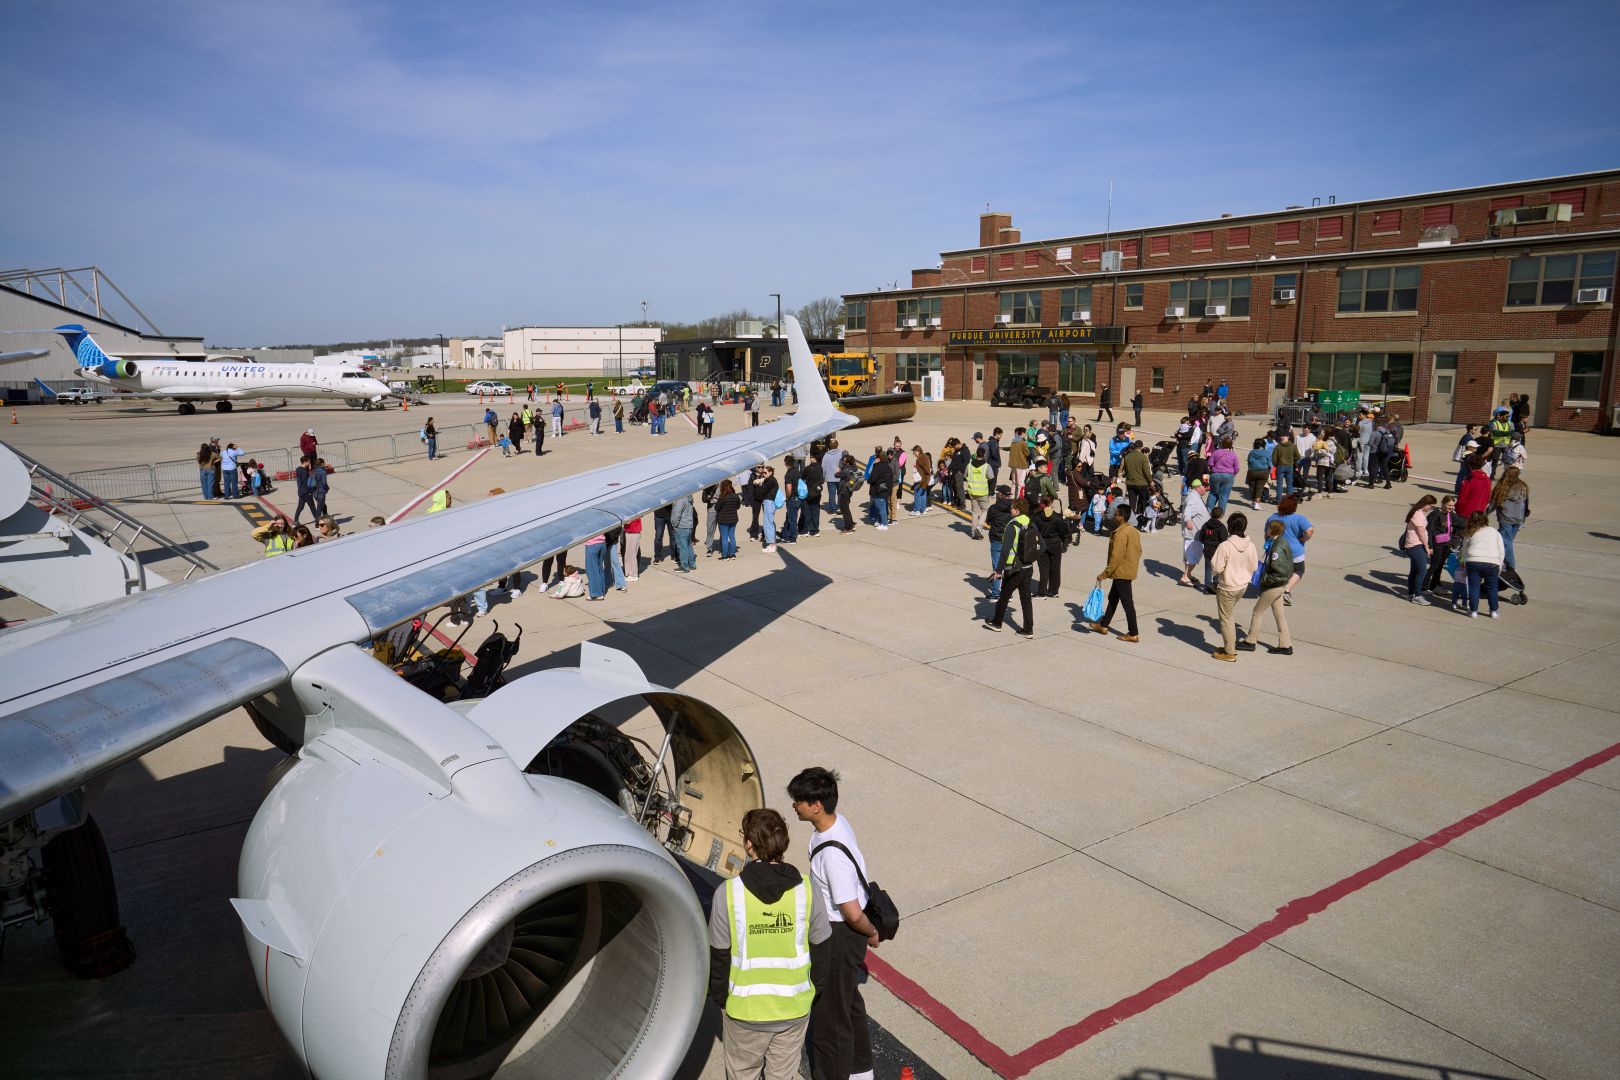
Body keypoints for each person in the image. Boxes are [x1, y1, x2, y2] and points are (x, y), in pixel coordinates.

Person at [788, 768, 878, 1080]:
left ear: (816, 805)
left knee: (829, 1019)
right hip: (841, 933)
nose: (794, 805)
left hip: (839, 934)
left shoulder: (832, 856)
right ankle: (860, 1071)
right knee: (848, 1002)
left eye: (798, 800)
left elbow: (851, 912)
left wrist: (871, 932)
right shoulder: (835, 825)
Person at [1087, 503, 1141, 641]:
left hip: (1121, 572)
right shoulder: (1133, 530)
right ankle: (1104, 625)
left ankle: (1133, 633)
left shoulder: (1121, 534)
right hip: (1127, 570)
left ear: (1122, 517)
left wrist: (1104, 574)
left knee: (1127, 603)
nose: (1114, 515)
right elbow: (1139, 551)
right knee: (1113, 599)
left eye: (1116, 514)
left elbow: (1116, 557)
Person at [1240, 518, 1294, 654]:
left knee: (1257, 612)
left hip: (1274, 586)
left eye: (1268, 528)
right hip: (1280, 585)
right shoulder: (1281, 542)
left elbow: (1280, 571)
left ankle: (1250, 641)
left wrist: (1266, 580)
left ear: (1273, 530)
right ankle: (1285, 645)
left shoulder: (1277, 547)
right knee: (1280, 615)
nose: (1266, 530)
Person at [1265, 494, 1314, 607]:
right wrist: (1302, 539)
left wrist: (1268, 544)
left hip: (1276, 549)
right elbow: (1309, 531)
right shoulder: (1299, 519)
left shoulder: (1272, 517)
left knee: (1277, 570)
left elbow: (1266, 534)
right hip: (1295, 551)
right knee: (1299, 570)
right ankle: (1286, 590)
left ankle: (1273, 590)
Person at [1455, 510, 1504, 618]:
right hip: (1491, 562)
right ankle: (1494, 611)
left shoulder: (1470, 532)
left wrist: (1464, 562)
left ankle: (1473, 611)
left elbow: (1464, 550)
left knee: (1474, 587)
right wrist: (1499, 565)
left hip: (1473, 561)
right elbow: (1501, 550)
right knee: (1492, 588)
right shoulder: (1494, 531)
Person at [1490, 467, 1530, 569]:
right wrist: (1524, 518)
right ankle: (1501, 561)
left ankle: (1511, 566)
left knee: (1506, 542)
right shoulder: (1523, 486)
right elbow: (1526, 504)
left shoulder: (1502, 486)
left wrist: (1485, 513)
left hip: (1506, 518)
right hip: (1518, 518)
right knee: (1504, 541)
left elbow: (1494, 503)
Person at [1402, 494, 1438, 604]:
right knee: (1422, 571)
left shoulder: (1418, 512)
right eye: (1431, 506)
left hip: (1415, 545)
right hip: (1415, 545)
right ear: (1425, 504)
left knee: (1414, 571)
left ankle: (1411, 594)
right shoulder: (1418, 514)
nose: (1431, 508)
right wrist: (1427, 546)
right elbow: (1420, 531)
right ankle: (1417, 596)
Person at [1424, 494, 1460, 595]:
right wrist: (1429, 546)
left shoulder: (1451, 514)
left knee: (1440, 566)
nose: (1451, 507)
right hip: (1436, 545)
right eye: (1449, 505)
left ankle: (1434, 586)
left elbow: (1461, 523)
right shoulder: (1435, 514)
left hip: (1446, 544)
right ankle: (1423, 586)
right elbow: (1429, 531)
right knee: (1434, 566)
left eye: (1453, 505)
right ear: (1443, 503)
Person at [1032, 493, 1067, 598]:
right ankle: (1053, 591)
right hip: (1055, 545)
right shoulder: (1058, 517)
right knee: (1056, 568)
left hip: (1042, 544)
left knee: (1043, 569)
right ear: (1052, 503)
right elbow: (1063, 532)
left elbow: (1034, 531)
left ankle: (1042, 591)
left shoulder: (1037, 517)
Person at [964, 448, 992, 539]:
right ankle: (979, 527)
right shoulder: (986, 466)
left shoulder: (969, 465)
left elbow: (965, 476)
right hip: (983, 492)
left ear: (976, 454)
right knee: (984, 511)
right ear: (984, 455)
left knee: (975, 512)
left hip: (973, 492)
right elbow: (991, 478)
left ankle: (973, 531)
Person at [1456, 453, 1491, 518]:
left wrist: (1458, 511)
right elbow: (1488, 497)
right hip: (1480, 513)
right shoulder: (1488, 480)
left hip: (1466, 513)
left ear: (1469, 465)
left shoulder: (1468, 480)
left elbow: (1462, 499)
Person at [671, 493, 698, 571]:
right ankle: (692, 564)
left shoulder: (680, 500)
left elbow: (677, 514)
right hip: (688, 525)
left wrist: (674, 524)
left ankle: (684, 566)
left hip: (682, 526)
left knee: (683, 547)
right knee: (688, 545)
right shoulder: (689, 498)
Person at [865, 449, 891, 530]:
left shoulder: (878, 467)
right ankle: (881, 522)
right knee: (881, 507)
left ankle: (884, 524)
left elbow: (873, 478)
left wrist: (875, 465)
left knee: (881, 508)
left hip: (878, 491)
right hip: (885, 490)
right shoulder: (887, 466)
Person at [1245, 438, 1271, 509]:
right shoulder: (1266, 453)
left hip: (1252, 471)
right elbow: (1269, 464)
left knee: (1252, 487)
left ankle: (1253, 502)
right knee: (1260, 488)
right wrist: (1269, 472)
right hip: (1263, 472)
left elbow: (1249, 462)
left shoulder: (1251, 452)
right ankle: (1257, 503)